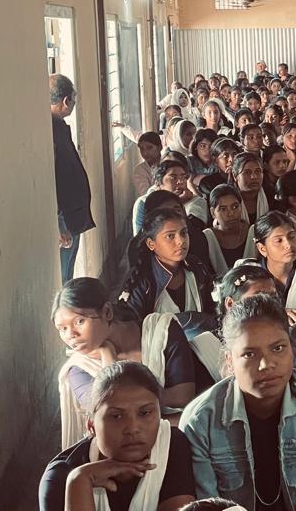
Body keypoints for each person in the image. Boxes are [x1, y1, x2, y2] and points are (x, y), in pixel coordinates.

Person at [181, 294, 296, 510]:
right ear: (229, 361)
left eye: (278, 348)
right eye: (249, 354)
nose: (266, 364)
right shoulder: (200, 420)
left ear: (291, 349)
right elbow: (207, 508)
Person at [53, 278, 197, 449]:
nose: (71, 335)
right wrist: (108, 355)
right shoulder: (78, 370)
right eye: (62, 329)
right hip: (121, 452)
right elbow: (110, 419)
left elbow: (184, 396)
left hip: (182, 439)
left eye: (79, 321)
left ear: (107, 312)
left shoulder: (161, 332)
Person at [39, 362, 196, 511]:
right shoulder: (61, 476)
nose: (132, 428)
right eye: (116, 416)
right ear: (91, 426)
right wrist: (80, 481)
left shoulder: (170, 445)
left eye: (145, 413)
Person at [122, 207, 217, 327]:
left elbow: (212, 309)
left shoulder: (196, 267)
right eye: (170, 236)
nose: (180, 241)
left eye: (183, 233)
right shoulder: (142, 282)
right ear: (151, 244)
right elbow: (133, 329)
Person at [52, 74, 95, 283]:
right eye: (73, 99)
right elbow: (53, 179)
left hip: (71, 214)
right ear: (66, 101)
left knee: (68, 272)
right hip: (63, 216)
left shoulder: (59, 126)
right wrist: (58, 225)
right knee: (63, 276)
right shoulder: (49, 131)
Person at [246, 212, 296, 318]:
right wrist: (280, 314)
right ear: (262, 248)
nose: (288, 245)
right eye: (278, 240)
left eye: (292, 236)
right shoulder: (247, 271)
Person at [132, 131, 163, 197]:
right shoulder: (140, 170)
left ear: (160, 147)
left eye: (149, 148)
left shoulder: (169, 163)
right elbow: (146, 195)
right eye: (142, 149)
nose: (145, 153)